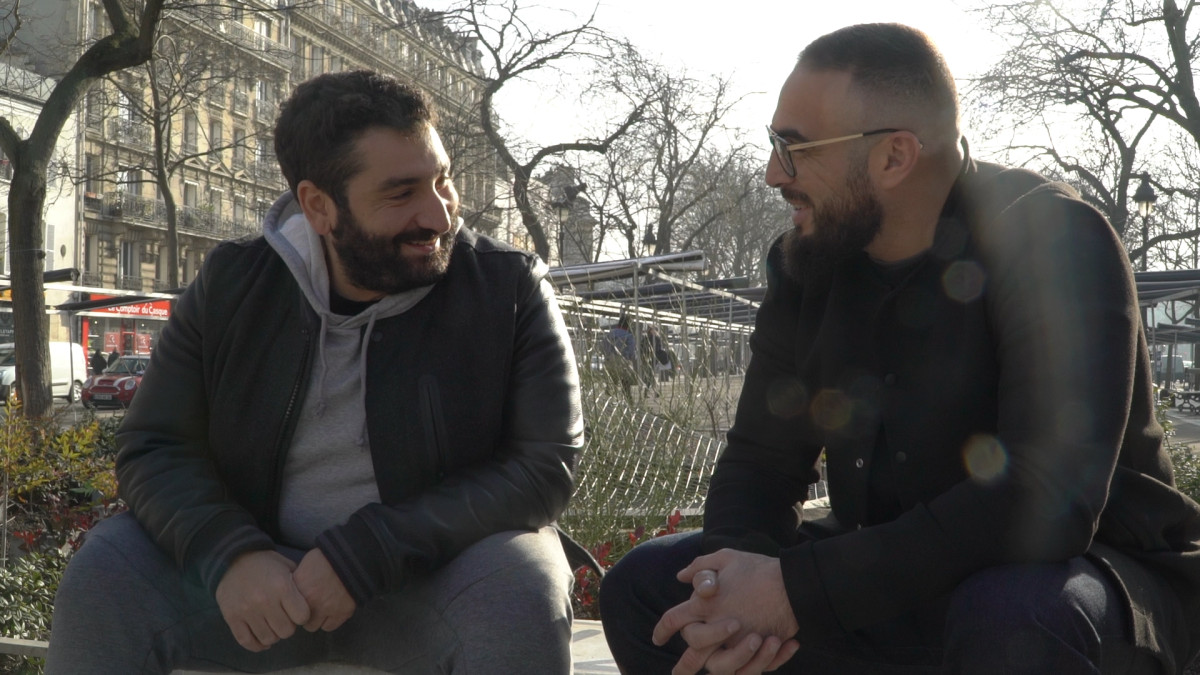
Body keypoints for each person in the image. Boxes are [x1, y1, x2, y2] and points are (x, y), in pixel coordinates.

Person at [599, 23, 1200, 675]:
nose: (774, 174)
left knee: (1012, 615)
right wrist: (732, 590)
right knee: (649, 591)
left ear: (894, 156)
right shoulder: (808, 262)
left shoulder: (1054, 239)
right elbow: (761, 463)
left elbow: (1045, 498)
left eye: (794, 149)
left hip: (1082, 578)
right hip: (887, 572)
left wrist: (798, 590)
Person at [47, 70, 583, 674]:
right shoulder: (231, 284)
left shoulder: (509, 287)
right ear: (318, 206)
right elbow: (153, 446)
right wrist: (228, 553)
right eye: (401, 194)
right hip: (258, 587)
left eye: (442, 181)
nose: (439, 216)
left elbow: (545, 465)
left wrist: (370, 552)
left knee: (523, 580)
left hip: (434, 578)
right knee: (106, 567)